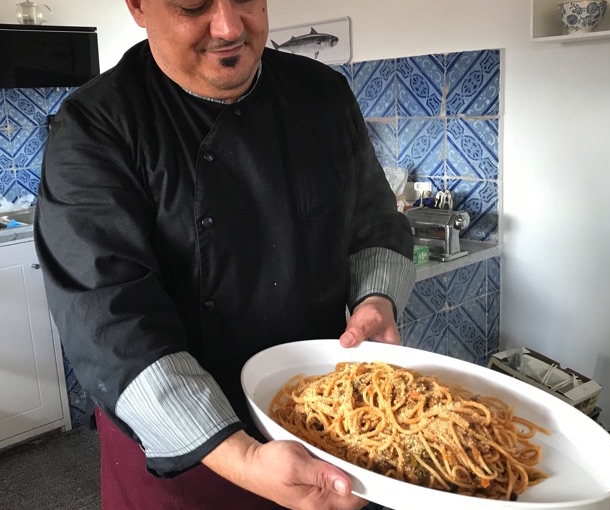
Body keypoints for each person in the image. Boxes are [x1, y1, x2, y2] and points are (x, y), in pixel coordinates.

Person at [35, 0, 415, 509]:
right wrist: (245, 458)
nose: (229, 27)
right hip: (184, 459)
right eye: (194, 4)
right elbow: (110, 319)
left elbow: (374, 220)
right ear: (139, 6)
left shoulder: (323, 95)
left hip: (325, 428)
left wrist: (377, 299)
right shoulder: (96, 126)